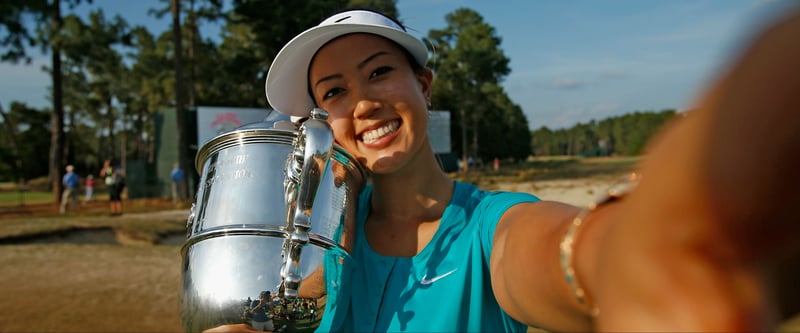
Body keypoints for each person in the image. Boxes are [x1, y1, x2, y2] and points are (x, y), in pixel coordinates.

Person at [211, 7, 800, 332]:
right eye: (334, 91)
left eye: (379, 72)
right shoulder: (326, 248)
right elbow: (281, 313)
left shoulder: (493, 227)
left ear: (422, 85)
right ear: (321, 121)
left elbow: (552, 253)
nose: (362, 102)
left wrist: (621, 254)